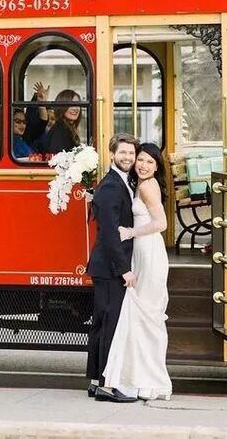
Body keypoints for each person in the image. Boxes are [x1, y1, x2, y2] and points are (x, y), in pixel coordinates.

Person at [104, 142, 172, 401]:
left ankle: (148, 380)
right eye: (140, 160)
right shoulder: (140, 184)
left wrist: (131, 232)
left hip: (150, 252)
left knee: (145, 316)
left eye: (149, 162)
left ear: (157, 167)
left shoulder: (147, 186)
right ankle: (141, 378)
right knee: (141, 317)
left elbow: (162, 223)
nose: (143, 165)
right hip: (143, 252)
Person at [85, 133, 138, 404]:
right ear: (113, 154)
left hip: (105, 267)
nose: (127, 157)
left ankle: (96, 381)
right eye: (123, 153)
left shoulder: (119, 182)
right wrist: (123, 269)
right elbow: (108, 233)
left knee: (101, 324)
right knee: (109, 326)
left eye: (131, 153)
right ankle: (107, 385)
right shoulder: (110, 187)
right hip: (109, 268)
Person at [42, 89, 83, 155]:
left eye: (77, 104)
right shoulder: (61, 129)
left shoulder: (67, 128)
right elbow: (57, 157)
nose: (75, 108)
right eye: (70, 105)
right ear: (61, 107)